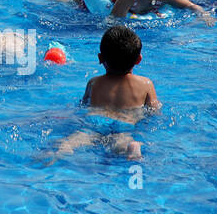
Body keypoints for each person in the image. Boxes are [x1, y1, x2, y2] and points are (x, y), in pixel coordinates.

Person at [55, 27, 159, 161]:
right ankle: (131, 148)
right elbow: (154, 111)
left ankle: (62, 149)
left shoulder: (93, 83)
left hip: (96, 121)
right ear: (138, 59)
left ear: (100, 58)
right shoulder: (146, 84)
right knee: (120, 142)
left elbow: (83, 105)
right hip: (125, 123)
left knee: (76, 139)